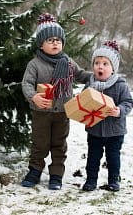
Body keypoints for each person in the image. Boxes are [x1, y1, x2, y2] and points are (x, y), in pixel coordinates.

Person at [21, 13, 91, 190]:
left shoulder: (68, 62)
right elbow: (27, 83)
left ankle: (56, 175)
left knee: (59, 145)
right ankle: (35, 171)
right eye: (50, 40)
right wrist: (34, 97)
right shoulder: (35, 64)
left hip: (63, 112)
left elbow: (81, 75)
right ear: (41, 44)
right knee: (40, 143)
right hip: (41, 112)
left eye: (58, 40)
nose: (55, 43)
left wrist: (97, 76)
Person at [82, 40, 133, 192]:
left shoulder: (120, 85)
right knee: (93, 157)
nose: (100, 66)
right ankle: (91, 180)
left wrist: (119, 110)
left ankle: (113, 180)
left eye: (105, 64)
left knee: (113, 158)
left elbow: (128, 102)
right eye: (97, 63)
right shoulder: (90, 85)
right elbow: (83, 100)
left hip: (115, 131)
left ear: (113, 69)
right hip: (95, 129)